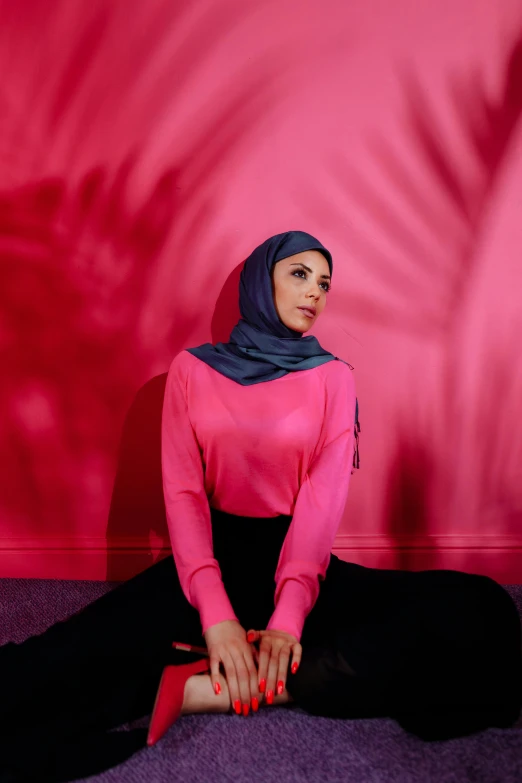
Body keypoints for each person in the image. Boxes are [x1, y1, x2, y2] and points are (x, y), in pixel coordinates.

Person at [0, 231, 520, 782]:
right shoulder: (192, 372)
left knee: (480, 614)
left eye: (324, 282)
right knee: (51, 666)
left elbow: (321, 508)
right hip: (205, 568)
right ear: (260, 280)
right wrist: (219, 617)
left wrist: (288, 620)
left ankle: (205, 690)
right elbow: (182, 496)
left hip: (296, 567)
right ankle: (221, 661)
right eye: (299, 274)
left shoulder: (333, 378)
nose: (315, 293)